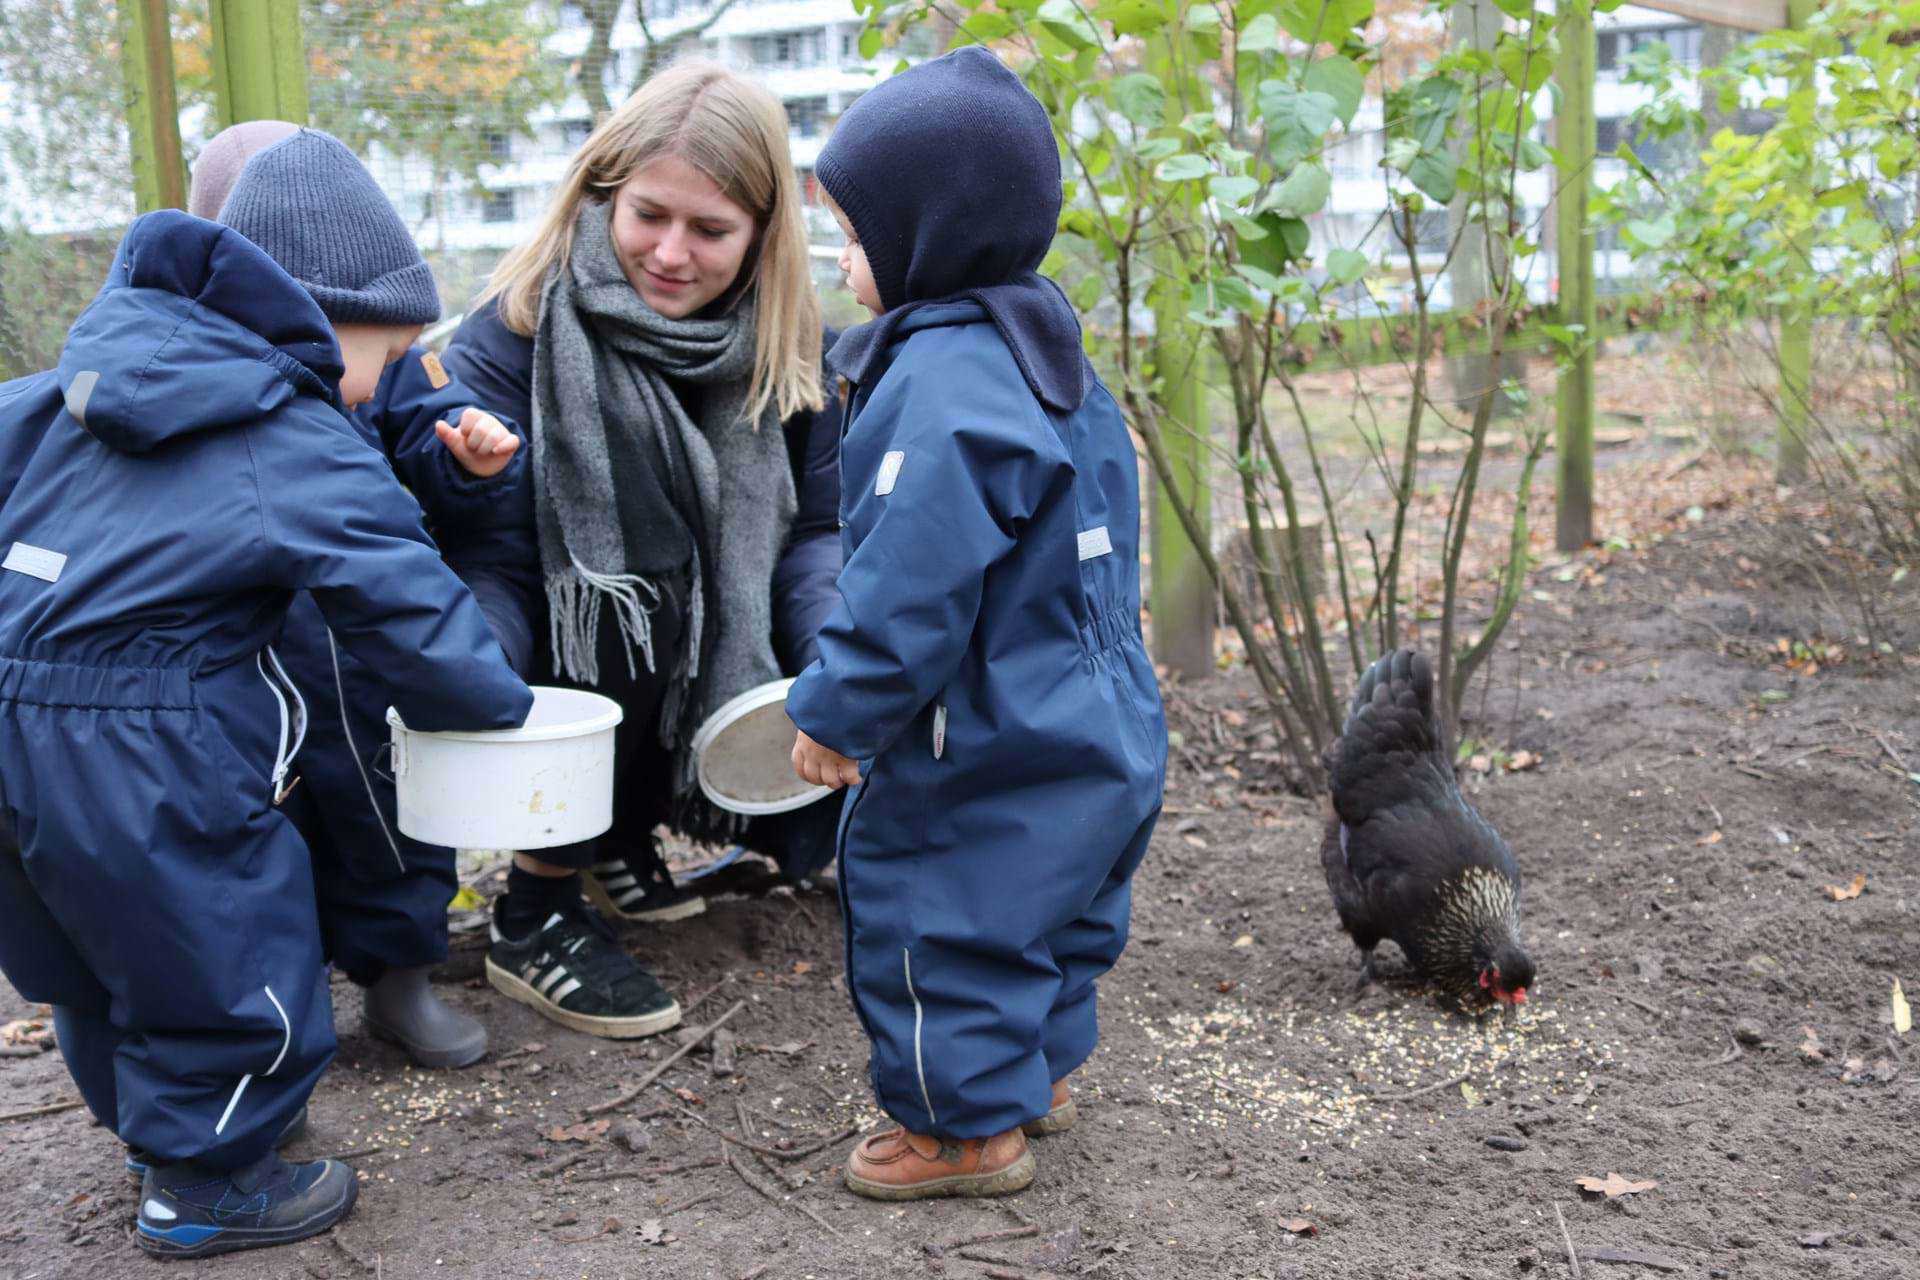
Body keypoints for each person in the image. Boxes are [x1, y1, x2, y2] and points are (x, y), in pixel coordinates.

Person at [0, 130, 534, 1258]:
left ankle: (154, 1138)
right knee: (228, 944)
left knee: (92, 956)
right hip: (157, 743)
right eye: (383, 353)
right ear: (317, 318)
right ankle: (211, 1183)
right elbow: (407, 603)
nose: (382, 381)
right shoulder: (295, 433)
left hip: (10, 720)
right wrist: (493, 703)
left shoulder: (59, 394)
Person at [784, 47, 1167, 1200]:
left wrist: (838, 708)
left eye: (855, 233)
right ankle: (1035, 1073)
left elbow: (909, 579)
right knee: (1054, 899)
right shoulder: (1047, 346)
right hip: (1100, 699)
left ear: (927, 234)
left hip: (987, 720)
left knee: (941, 915)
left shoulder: (943, 381)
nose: (844, 260)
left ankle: (958, 1128)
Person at [443, 61, 844, 1039]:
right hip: (549, 618)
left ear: (760, 236)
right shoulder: (515, 330)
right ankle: (536, 906)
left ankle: (618, 838)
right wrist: (470, 474)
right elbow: (485, 550)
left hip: (704, 636)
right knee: (620, 596)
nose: (670, 252)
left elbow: (816, 531)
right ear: (600, 194)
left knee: (767, 600)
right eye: (648, 216)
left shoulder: (789, 350)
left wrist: (839, 650)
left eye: (710, 230)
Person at [189, 122, 537, 1070]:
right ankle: (281, 1018)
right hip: (262, 670)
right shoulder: (211, 383)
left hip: (364, 646)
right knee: (271, 845)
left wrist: (465, 456)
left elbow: (425, 425)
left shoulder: (378, 349)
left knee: (397, 820)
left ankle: (401, 978)